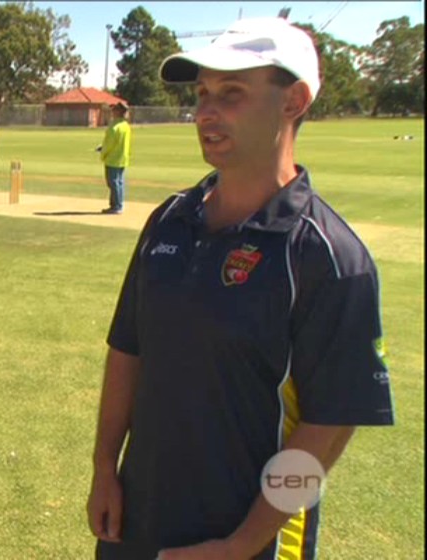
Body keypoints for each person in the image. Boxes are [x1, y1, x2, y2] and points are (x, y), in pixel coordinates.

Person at [86, 17, 394, 560]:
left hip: (247, 541)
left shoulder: (329, 256)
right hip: (135, 523)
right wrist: (104, 467)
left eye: (231, 93)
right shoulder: (169, 221)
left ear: (293, 101)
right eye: (202, 93)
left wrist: (243, 543)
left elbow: (330, 424)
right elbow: (128, 350)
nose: (205, 112)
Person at [96, 102, 131, 214]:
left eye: (114, 110)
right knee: (119, 182)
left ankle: (116, 206)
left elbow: (109, 144)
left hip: (113, 158)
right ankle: (117, 204)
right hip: (122, 157)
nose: (112, 112)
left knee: (113, 182)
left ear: (118, 112)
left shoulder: (114, 127)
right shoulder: (125, 125)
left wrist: (103, 152)